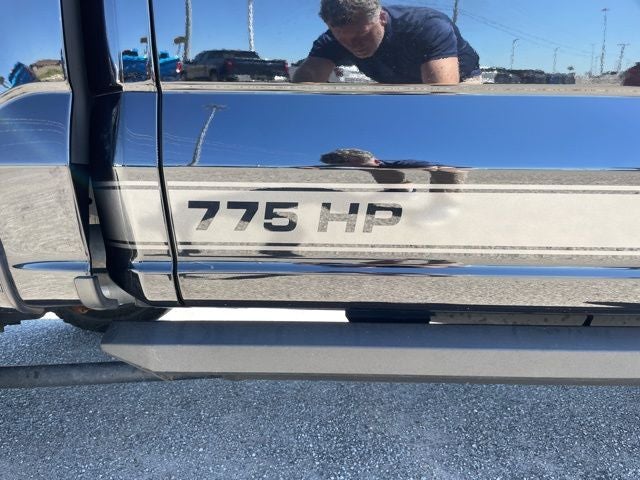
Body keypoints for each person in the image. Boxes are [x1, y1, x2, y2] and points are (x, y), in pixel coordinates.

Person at [293, 0, 480, 84]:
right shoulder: (332, 40)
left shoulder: (427, 26)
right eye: (343, 40)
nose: (354, 46)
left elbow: (441, 95)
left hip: (461, 81)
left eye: (362, 35)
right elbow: (304, 84)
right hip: (394, 83)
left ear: (382, 18)